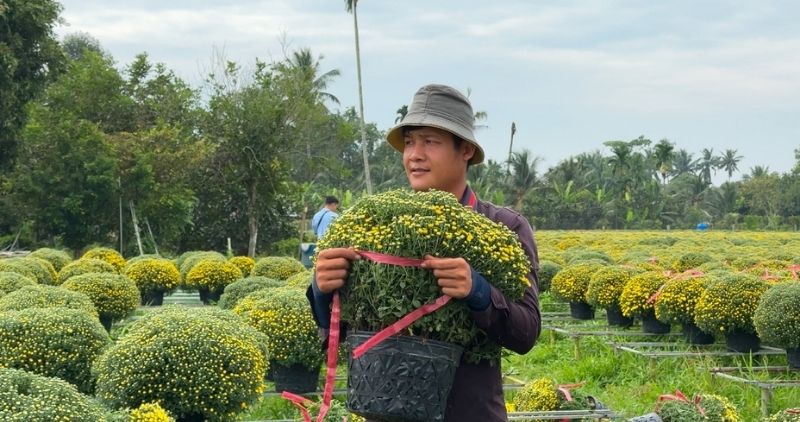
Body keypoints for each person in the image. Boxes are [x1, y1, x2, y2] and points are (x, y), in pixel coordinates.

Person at [308, 84, 541, 421]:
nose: (414, 154)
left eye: (430, 141)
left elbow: (527, 332)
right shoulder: (374, 226)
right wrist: (322, 292)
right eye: (409, 142)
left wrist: (478, 291)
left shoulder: (505, 227)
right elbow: (345, 336)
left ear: (465, 151)